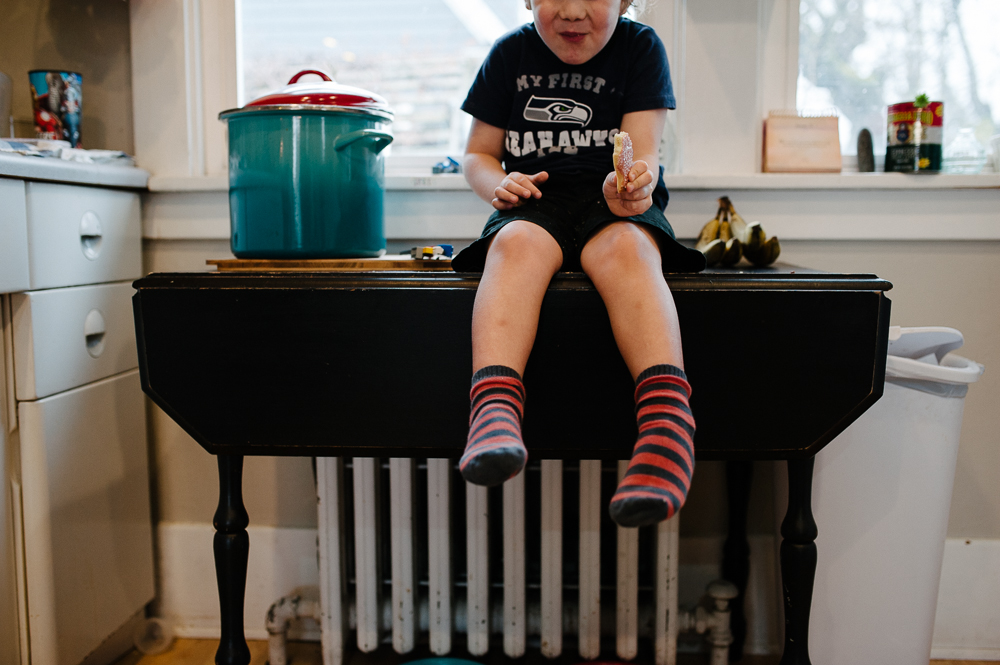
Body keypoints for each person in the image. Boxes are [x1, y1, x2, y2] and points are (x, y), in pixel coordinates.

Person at [451, 0, 706, 527]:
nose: (571, 10)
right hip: (533, 200)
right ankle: (493, 409)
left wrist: (635, 189)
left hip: (611, 200)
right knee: (514, 246)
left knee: (629, 250)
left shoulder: (639, 48)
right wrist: (496, 183)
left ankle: (667, 425)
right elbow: (477, 154)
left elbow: (646, 152)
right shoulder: (508, 54)